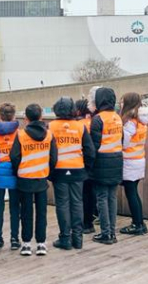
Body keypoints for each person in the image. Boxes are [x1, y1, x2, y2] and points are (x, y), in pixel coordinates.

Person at [10, 103, 57, 257]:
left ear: (26, 119)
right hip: (42, 177)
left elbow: (14, 157)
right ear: (41, 117)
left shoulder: (21, 135)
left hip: (24, 178)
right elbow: (53, 158)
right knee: (42, 212)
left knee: (26, 212)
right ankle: (41, 244)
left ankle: (26, 244)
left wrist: (19, 170)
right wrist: (47, 171)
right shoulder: (49, 135)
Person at [49, 97, 95, 250]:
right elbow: (90, 151)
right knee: (77, 203)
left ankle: (65, 238)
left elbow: (47, 151)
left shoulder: (51, 127)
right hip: (77, 169)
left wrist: (50, 170)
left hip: (59, 170)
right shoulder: (80, 126)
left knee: (62, 204)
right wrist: (86, 170)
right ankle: (78, 238)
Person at [89, 87, 123, 244]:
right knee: (112, 197)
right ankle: (112, 233)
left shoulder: (98, 119)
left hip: (102, 162)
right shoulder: (117, 117)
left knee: (101, 197)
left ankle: (105, 233)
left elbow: (94, 146)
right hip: (117, 159)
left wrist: (89, 165)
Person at [0, 102, 21, 250]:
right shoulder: (19, 133)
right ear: (13, 116)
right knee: (15, 208)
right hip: (15, 172)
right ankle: (15, 239)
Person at [119, 94, 148, 236]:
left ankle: (137, 224)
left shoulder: (130, 122)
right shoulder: (141, 121)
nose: (120, 104)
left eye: (122, 102)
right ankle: (140, 223)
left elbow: (124, 143)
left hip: (129, 160)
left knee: (131, 193)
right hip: (138, 158)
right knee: (134, 192)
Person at [76, 97, 97, 234]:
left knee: (82, 194)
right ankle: (90, 220)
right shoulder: (94, 122)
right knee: (91, 193)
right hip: (94, 162)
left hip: (80, 163)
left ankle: (85, 223)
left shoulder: (79, 125)